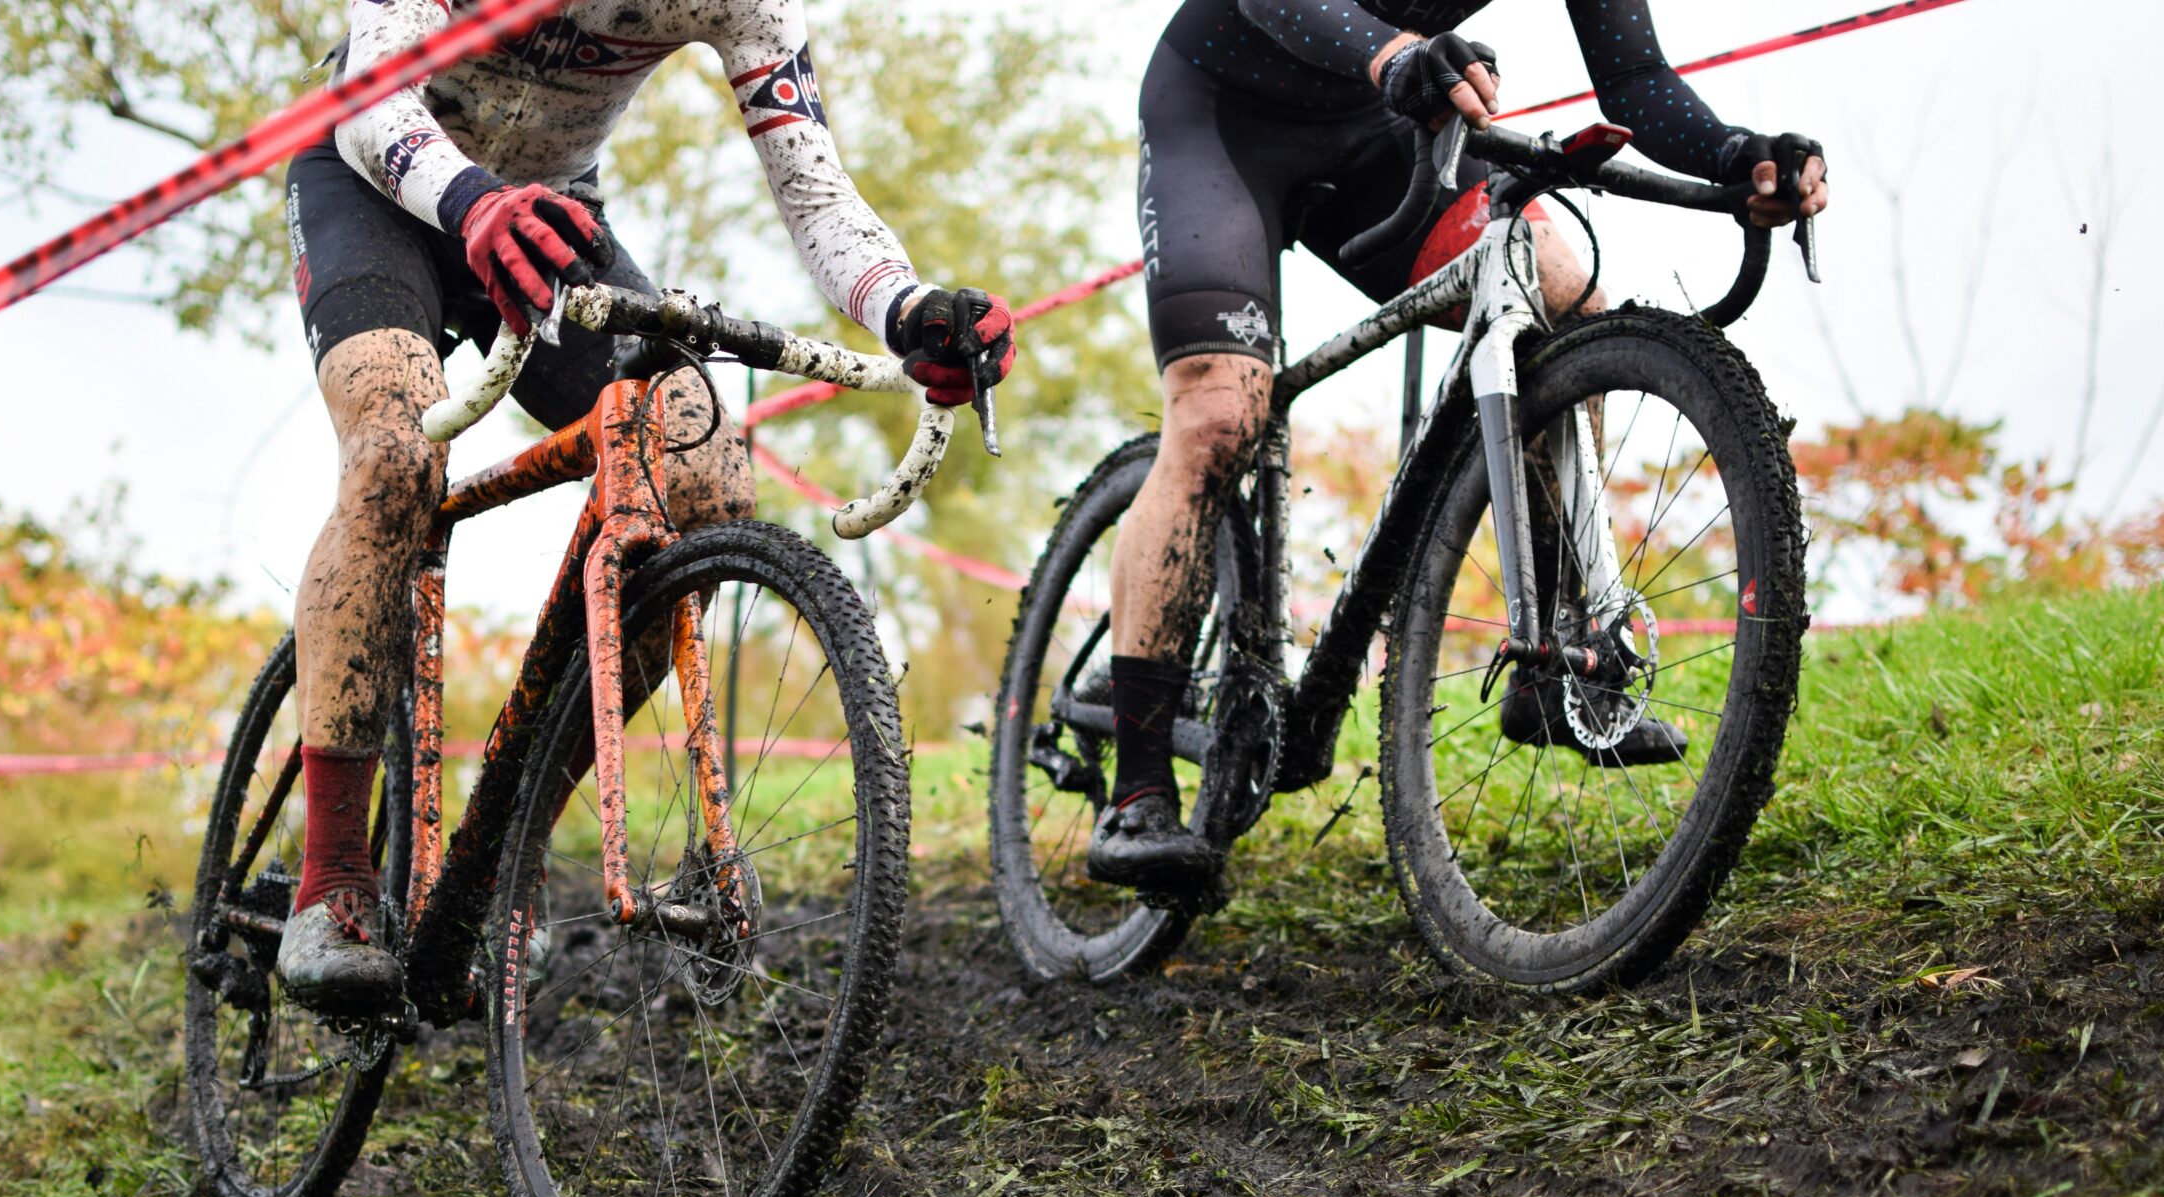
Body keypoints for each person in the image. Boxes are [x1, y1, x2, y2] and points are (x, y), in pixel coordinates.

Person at [276, 0, 1017, 1015]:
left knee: (704, 477)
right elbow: (371, 96)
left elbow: (814, 193)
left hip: (549, 215)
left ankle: (510, 836)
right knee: (394, 459)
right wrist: (473, 204)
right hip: (373, 183)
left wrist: (906, 310)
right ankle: (333, 877)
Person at [1088, 0, 1831, 891]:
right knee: (1218, 417)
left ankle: (1557, 658)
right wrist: (1395, 54)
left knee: (1565, 298)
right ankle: (1135, 794)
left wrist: (1739, 157)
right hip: (1221, 120)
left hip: (1384, 129)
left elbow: (1635, 81)